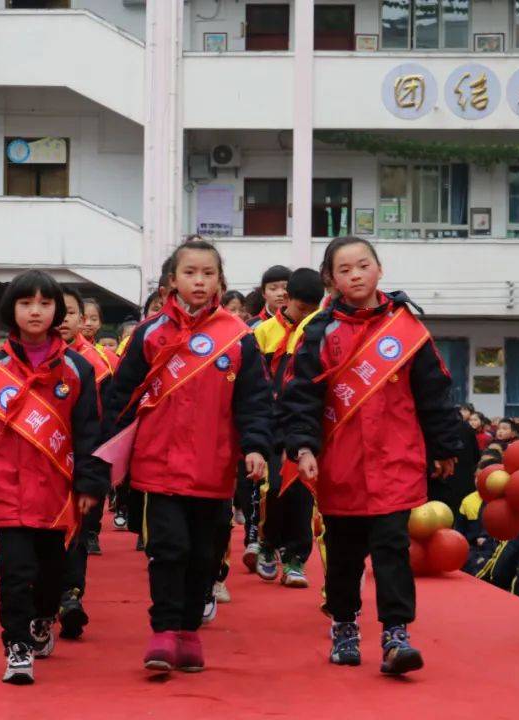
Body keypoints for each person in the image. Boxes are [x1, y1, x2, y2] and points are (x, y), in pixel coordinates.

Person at [281, 236, 463, 675]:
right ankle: (344, 623)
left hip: (395, 460)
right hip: (340, 463)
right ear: (332, 279)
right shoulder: (319, 332)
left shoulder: (406, 329)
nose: (356, 275)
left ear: (380, 269)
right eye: (345, 269)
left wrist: (444, 447)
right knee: (343, 552)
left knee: (392, 548)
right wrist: (303, 445)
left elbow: (434, 392)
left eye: (363, 265)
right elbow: (300, 395)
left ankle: (395, 635)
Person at [105, 239, 272, 675]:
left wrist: (255, 446)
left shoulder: (238, 336)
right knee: (168, 549)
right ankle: (163, 631)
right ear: (172, 280)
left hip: (215, 468)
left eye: (208, 273)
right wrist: (106, 456)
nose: (199, 281)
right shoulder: (149, 334)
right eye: (190, 273)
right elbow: (121, 397)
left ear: (221, 279)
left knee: (205, 554)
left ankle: (189, 631)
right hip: (156, 467)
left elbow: (254, 400)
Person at [0, 271, 108, 685]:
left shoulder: (77, 368)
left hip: (58, 493)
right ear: (12, 311)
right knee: (13, 574)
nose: (35, 311)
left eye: (44, 303)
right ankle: (17, 646)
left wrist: (90, 483)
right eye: (26, 303)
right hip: (7, 490)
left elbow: (89, 431)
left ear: (57, 310)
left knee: (52, 575)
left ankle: (44, 618)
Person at [251, 268, 324, 588]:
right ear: (287, 299)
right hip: (270, 421)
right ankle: (267, 545)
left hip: (305, 420)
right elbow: (252, 381)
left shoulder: (321, 330)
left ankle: (296, 557)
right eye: (301, 309)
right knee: (274, 487)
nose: (307, 316)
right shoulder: (262, 332)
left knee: (303, 490)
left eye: (312, 310)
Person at [55, 284, 115, 641]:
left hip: (79, 460)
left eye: (71, 312)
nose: (62, 319)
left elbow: (106, 419)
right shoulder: (10, 364)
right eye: (55, 309)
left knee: (75, 529)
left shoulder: (96, 363)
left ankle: (70, 596)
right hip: (35, 462)